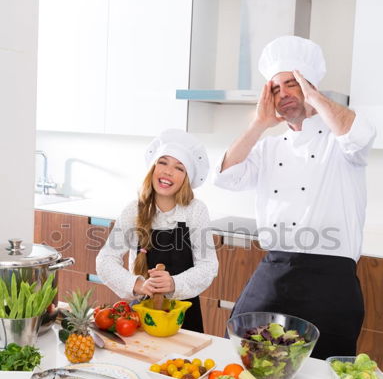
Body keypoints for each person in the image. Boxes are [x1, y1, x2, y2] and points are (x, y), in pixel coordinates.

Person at [213, 36, 376, 359]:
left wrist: (315, 97)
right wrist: (259, 123)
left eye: (292, 84)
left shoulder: (340, 141)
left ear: (311, 87)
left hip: (331, 279)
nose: (283, 93)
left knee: (323, 373)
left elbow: (359, 136)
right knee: (243, 357)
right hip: (276, 269)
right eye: (275, 88)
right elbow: (226, 176)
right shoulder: (270, 147)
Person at [96, 128, 218, 333]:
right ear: (153, 168)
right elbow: (105, 260)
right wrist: (137, 284)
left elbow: (208, 266)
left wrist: (173, 283)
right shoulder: (134, 210)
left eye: (179, 168)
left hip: (183, 318)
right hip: (140, 315)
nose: (168, 172)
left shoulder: (195, 211)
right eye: (163, 163)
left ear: (186, 178)